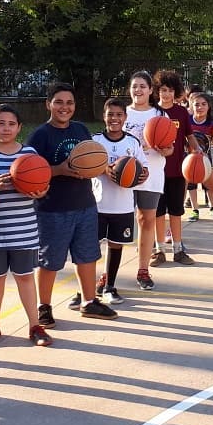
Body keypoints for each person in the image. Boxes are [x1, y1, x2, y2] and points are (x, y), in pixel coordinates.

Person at [26, 82, 117, 326]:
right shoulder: (40, 136)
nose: (64, 107)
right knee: (50, 261)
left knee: (87, 256)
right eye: (59, 102)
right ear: (49, 104)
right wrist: (60, 169)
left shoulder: (81, 130)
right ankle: (43, 306)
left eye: (69, 103)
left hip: (84, 204)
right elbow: (30, 172)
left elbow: (93, 161)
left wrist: (101, 169)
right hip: (52, 208)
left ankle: (89, 302)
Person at [0, 104, 53, 348]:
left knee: (25, 277)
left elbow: (42, 188)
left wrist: (38, 190)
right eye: (0, 123)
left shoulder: (29, 154)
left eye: (11, 124)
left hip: (23, 229)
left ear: (19, 128)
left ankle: (35, 326)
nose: (5, 128)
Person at [92, 98, 149, 304]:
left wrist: (142, 174)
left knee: (116, 246)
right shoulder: (95, 141)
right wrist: (103, 169)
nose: (114, 118)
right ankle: (86, 290)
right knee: (90, 248)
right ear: (104, 116)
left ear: (125, 117)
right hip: (97, 204)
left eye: (119, 115)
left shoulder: (132, 142)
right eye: (110, 115)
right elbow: (85, 166)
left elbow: (144, 167)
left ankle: (110, 286)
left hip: (123, 205)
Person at [122, 71, 167, 291]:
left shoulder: (159, 116)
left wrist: (160, 146)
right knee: (118, 223)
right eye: (134, 86)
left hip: (152, 173)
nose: (138, 90)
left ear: (151, 90)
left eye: (142, 86)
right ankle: (107, 274)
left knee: (146, 220)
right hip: (124, 175)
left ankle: (143, 269)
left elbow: (169, 149)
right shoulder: (122, 114)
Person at [151, 70, 198, 265]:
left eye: (170, 90)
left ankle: (178, 249)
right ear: (157, 91)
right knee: (158, 212)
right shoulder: (152, 112)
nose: (166, 94)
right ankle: (159, 250)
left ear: (175, 91)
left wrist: (197, 150)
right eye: (163, 90)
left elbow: (189, 135)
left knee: (176, 211)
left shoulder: (181, 112)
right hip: (156, 171)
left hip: (178, 170)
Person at [186, 92, 213, 220]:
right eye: (197, 105)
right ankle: (195, 210)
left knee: (208, 184)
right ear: (191, 107)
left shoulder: (211, 122)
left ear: (208, 106)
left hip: (206, 158)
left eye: (203, 104)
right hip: (189, 158)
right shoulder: (187, 121)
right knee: (191, 184)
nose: (200, 107)